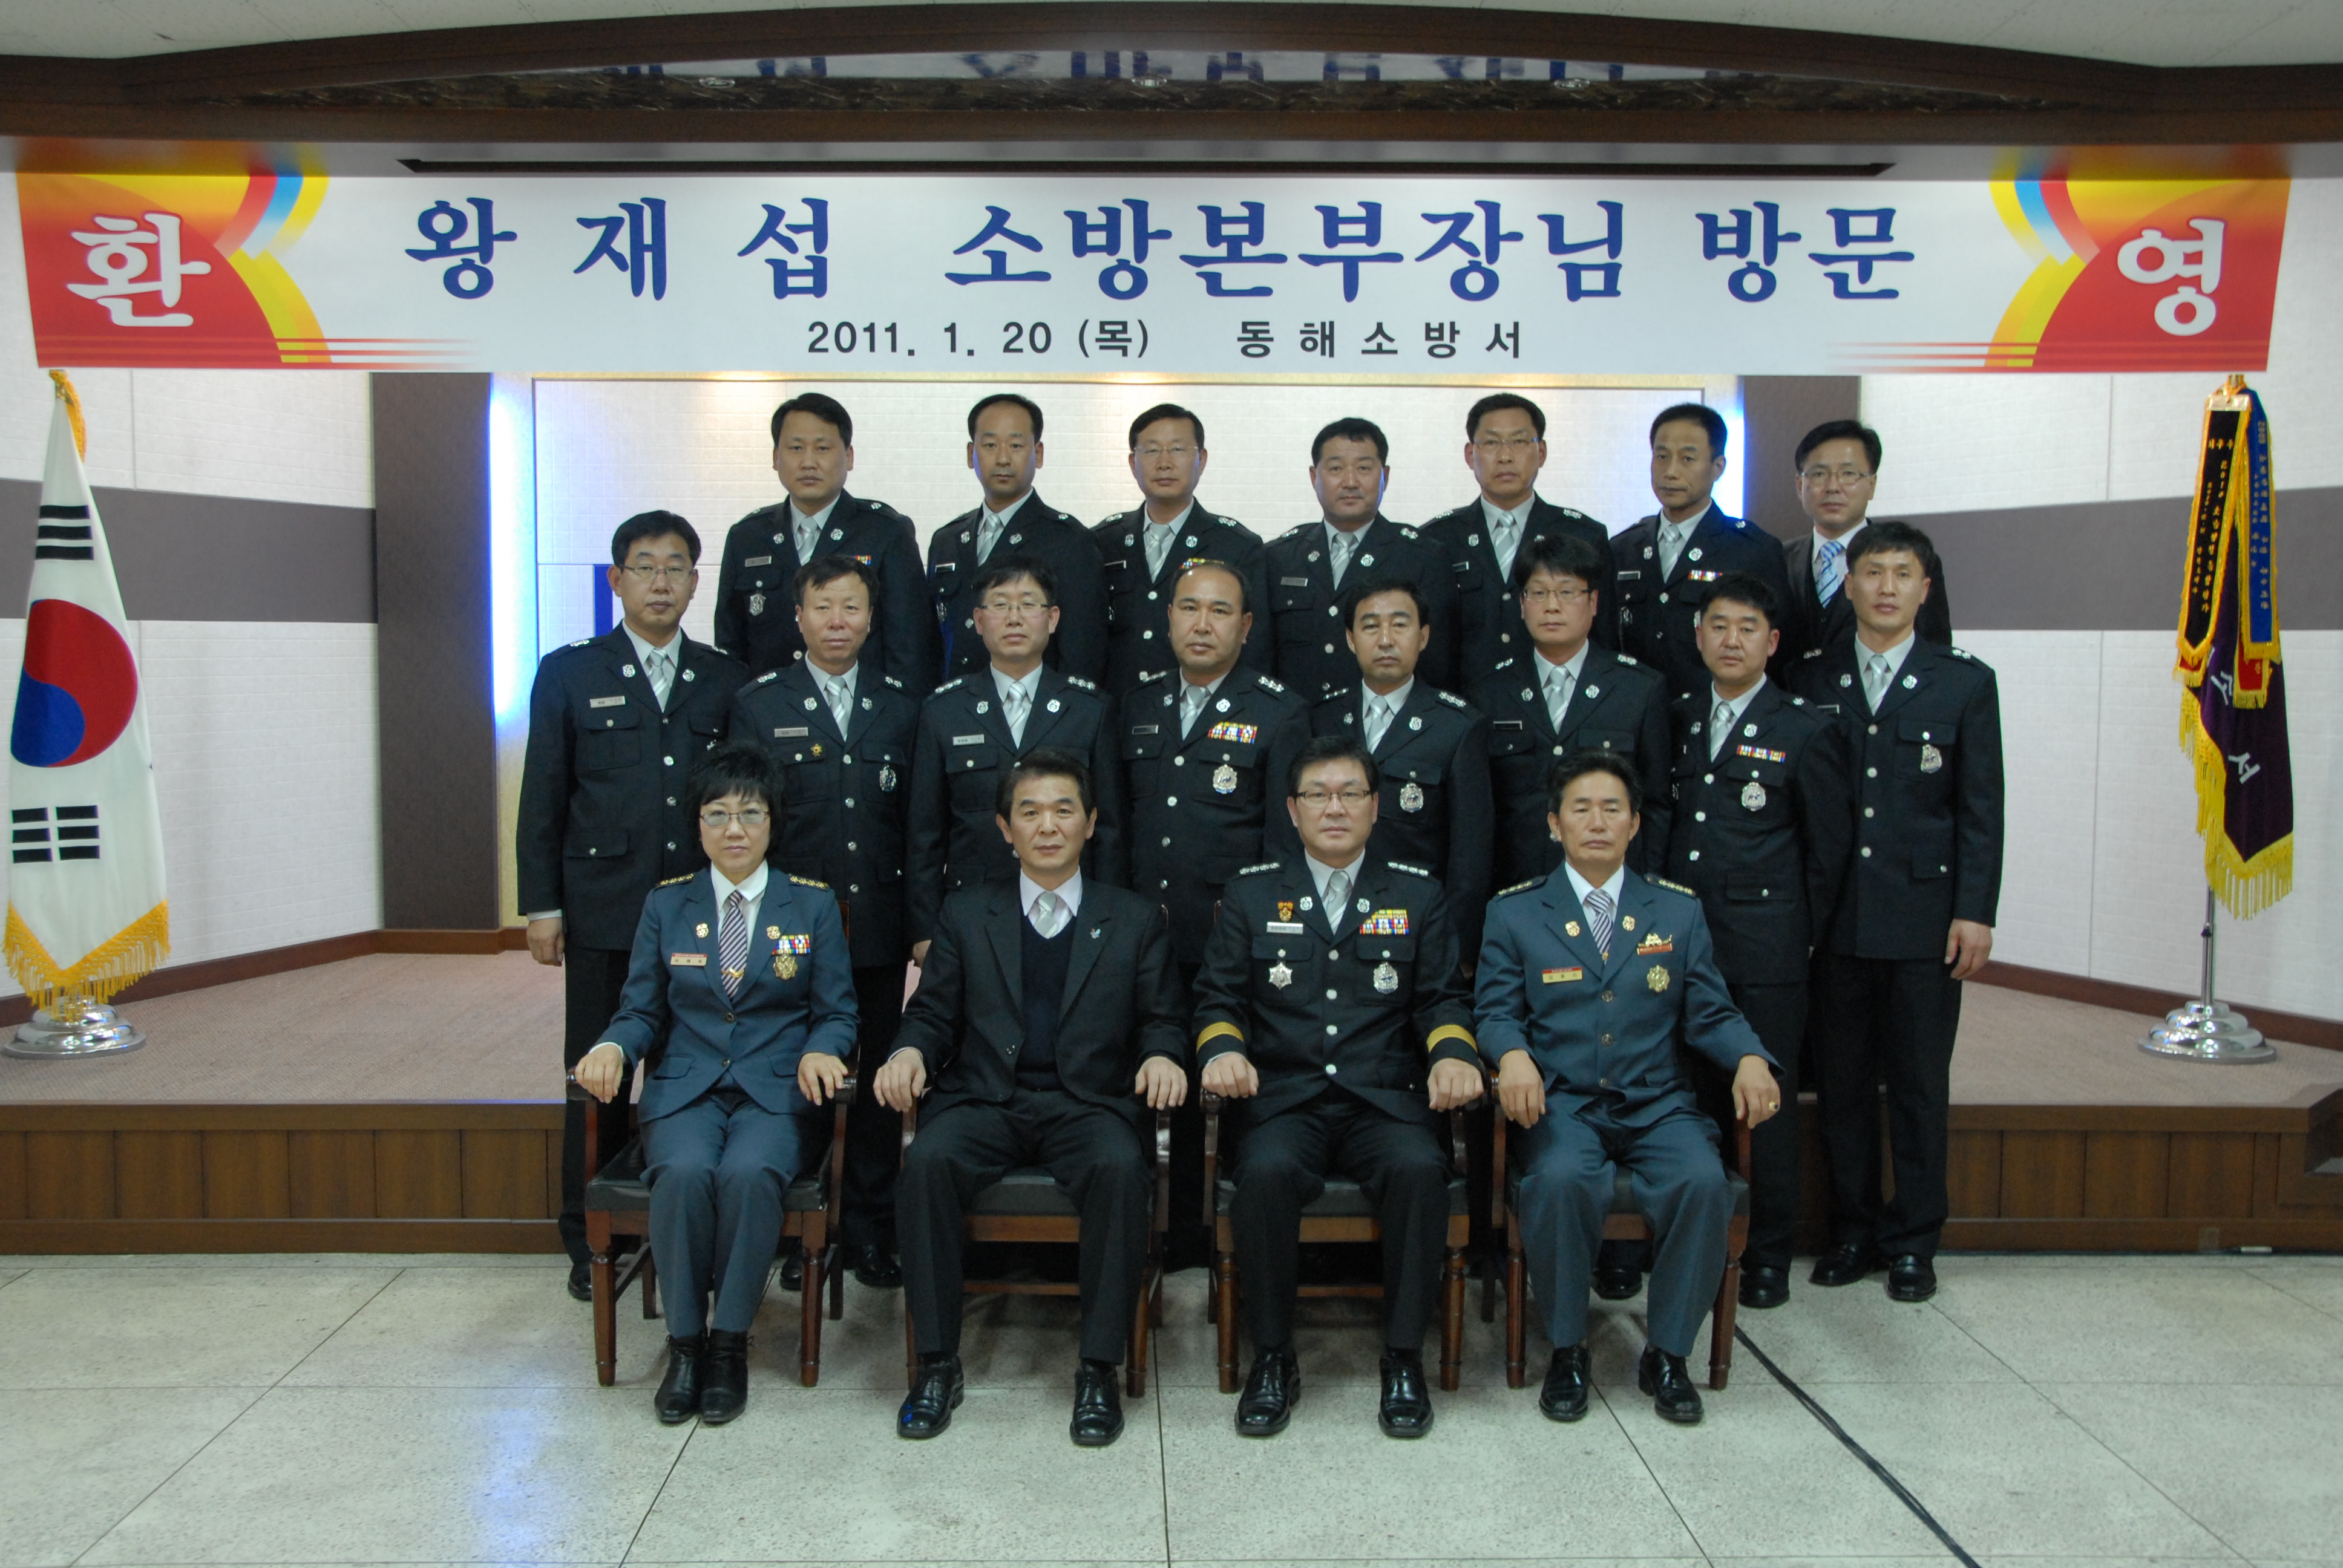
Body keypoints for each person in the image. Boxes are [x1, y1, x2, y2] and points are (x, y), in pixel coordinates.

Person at [874, 750, 1189, 1446]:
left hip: (1089, 1104)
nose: (1048, 826)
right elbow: (932, 1014)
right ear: (1004, 828)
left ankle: (1098, 1368)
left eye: (1063, 810)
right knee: (926, 1163)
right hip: (987, 1100)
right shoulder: (965, 913)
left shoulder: (1133, 918)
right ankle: (935, 1364)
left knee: (1119, 1169)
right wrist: (907, 1053)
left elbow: (1162, 1019)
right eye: (1030, 812)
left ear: (1091, 823)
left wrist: (1162, 1055)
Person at [1190, 736, 1484, 1440]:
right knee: (1263, 1175)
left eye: (1350, 794)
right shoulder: (1252, 892)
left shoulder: (1415, 893)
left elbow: (1441, 1000)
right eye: (1317, 795)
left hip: (1382, 1100)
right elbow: (1217, 998)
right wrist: (1222, 1050)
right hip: (1283, 1098)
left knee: (1419, 1171)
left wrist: (1452, 1056)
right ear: (1292, 810)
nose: (1334, 808)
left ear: (1375, 807)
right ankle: (1272, 1357)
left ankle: (1403, 1357)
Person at [1475, 751, 1780, 1426]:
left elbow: (1711, 1013)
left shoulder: (1675, 911)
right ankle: (1567, 1350)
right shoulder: (1516, 913)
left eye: (1611, 809)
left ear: (1635, 824)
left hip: (1656, 1104)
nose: (1596, 822)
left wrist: (1749, 1059)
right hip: (1563, 1103)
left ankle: (1667, 1354)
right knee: (1559, 1182)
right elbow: (1495, 1012)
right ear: (1553, 824)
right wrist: (1512, 1056)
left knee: (1701, 1183)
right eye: (1580, 809)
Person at [572, 743, 857, 1425]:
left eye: (750, 814)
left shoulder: (811, 905)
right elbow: (641, 1009)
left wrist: (823, 1051)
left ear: (772, 822)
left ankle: (728, 1342)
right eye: (718, 814)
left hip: (774, 1091)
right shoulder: (667, 904)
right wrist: (612, 1045)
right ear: (697, 824)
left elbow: (837, 1012)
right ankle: (685, 1345)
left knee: (749, 1174)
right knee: (684, 1173)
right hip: (686, 1089)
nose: (735, 829)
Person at [519, 510, 749, 1302]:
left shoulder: (724, 678)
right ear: (616, 581)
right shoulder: (569, 672)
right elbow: (544, 795)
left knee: (690, 1074)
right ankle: (590, 1239)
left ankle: (682, 1223)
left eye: (675, 567)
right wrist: (541, 905)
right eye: (645, 567)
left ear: (694, 582)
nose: (660, 582)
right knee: (598, 1075)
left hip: (700, 913)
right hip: (605, 909)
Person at [1788, 521, 2002, 1305]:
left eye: (1901, 574)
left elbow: (1980, 808)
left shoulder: (1963, 682)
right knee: (1842, 1084)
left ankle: (1913, 1241)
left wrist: (1974, 911)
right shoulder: (1810, 678)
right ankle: (1851, 1229)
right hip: (1834, 918)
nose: (1885, 587)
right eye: (1871, 572)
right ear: (1847, 585)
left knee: (1916, 1083)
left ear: (1924, 589)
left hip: (1922, 918)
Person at [729, 555, 920, 1289]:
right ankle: (795, 1229)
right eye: (822, 607)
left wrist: (918, 922)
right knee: (794, 1071)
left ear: (871, 619)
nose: (837, 622)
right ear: (798, 617)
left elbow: (917, 827)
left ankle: (868, 1228)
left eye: (851, 608)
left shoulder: (901, 706)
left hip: (875, 924)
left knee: (874, 1081)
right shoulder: (759, 704)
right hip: (790, 930)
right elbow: (749, 823)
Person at [1663, 574, 1853, 1310]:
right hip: (1680, 946)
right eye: (1718, 626)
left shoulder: (1803, 728)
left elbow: (1825, 854)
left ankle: (1765, 1252)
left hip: (1764, 951)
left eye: (1747, 628)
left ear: (1772, 643)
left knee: (1761, 1107)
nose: (1731, 640)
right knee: (1687, 1096)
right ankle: (1694, 1239)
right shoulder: (1676, 716)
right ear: (1698, 636)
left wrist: (1799, 940)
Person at [1121, 558, 1309, 1270]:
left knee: (1224, 1084)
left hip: (1226, 940)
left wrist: (1263, 934)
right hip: (1140, 935)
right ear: (1168, 617)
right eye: (1189, 608)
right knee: (1144, 1074)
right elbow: (1113, 828)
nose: (1202, 624)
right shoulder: (1135, 703)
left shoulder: (1278, 711)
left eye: (1220, 611)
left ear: (1246, 626)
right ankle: (1156, 1225)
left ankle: (1214, 1232)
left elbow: (1281, 844)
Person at [906, 557, 1124, 964]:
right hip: (970, 912)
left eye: (1028, 604)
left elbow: (1109, 831)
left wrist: (1111, 920)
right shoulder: (943, 711)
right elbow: (925, 832)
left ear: (1052, 618)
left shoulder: (1090, 709)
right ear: (978, 620)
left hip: (1072, 908)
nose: (1014, 618)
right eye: (1001, 605)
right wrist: (924, 929)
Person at [1473, 533, 1672, 891]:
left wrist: (1648, 889)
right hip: (1516, 889)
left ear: (1594, 602)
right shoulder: (1490, 692)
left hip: (1613, 886)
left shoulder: (1639, 690)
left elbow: (1656, 807)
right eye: (1538, 593)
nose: (1552, 606)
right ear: (1522, 604)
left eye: (1567, 592)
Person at [1309, 575, 1493, 959]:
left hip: (1418, 929)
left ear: (1423, 637)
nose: (1386, 640)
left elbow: (1470, 858)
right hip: (1326, 925)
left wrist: (1455, 950)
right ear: (1350, 639)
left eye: (1400, 624)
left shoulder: (1457, 726)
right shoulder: (1319, 719)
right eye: (1370, 626)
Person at [710, 392, 934, 693]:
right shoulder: (747, 537)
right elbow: (730, 647)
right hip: (768, 712)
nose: (809, 462)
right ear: (776, 458)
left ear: (849, 456)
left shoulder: (886, 532)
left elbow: (910, 647)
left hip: (864, 711)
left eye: (823, 448)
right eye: (796, 448)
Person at [1263, 417, 1458, 703]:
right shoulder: (1279, 557)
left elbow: (1438, 665)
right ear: (1314, 477)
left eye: (1364, 468)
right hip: (1296, 722)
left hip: (1383, 722)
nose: (1350, 482)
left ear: (1385, 476)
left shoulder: (1423, 558)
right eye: (1336, 469)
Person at [1610, 403, 1793, 704]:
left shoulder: (1753, 549)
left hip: (1713, 714)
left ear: (1718, 467)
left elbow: (1778, 652)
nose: (1671, 471)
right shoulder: (1622, 548)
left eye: (1688, 458)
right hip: (1632, 712)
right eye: (1662, 456)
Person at [1424, 392, 1619, 668]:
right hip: (1463, 693)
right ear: (1470, 455)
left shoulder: (1584, 536)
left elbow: (1604, 641)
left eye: (1519, 442)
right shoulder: (1437, 539)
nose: (1505, 456)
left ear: (1542, 453)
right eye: (1491, 443)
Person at [1093, 402, 1273, 697]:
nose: (1164, 463)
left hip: (1200, 708)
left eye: (1177, 449)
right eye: (1151, 450)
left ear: (1201, 460)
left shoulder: (1237, 546)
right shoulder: (1103, 542)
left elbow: (1255, 647)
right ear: (1133, 463)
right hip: (1117, 707)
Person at [927, 393, 1107, 685]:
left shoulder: (1070, 541)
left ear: (1038, 453)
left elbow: (1082, 656)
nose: (1002, 458)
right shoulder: (946, 540)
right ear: (971, 454)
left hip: (1037, 707)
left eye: (1016, 445)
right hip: (956, 706)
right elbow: (932, 644)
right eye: (990, 445)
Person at [1774, 419, 1953, 676]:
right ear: (1800, 486)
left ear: (1872, 485)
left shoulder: (1913, 561)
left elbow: (1933, 653)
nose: (1833, 487)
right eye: (1819, 474)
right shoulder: (1776, 559)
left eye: (1849, 474)